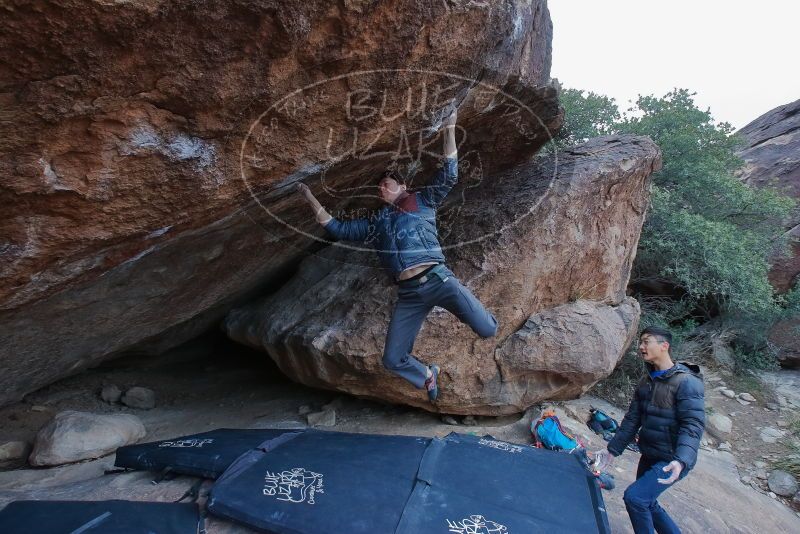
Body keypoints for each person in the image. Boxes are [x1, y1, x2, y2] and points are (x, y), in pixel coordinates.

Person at [297, 108, 498, 403]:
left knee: (488, 329)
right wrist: (308, 197)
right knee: (392, 359)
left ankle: (481, 315)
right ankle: (426, 375)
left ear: (403, 186)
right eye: (380, 185)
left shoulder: (422, 200)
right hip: (409, 295)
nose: (382, 187)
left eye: (388, 182)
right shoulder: (376, 222)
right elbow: (336, 228)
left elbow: (450, 173)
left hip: (439, 280)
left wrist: (451, 126)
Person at [594, 326, 705, 534]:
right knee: (647, 502)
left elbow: (693, 425)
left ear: (664, 346)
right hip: (650, 454)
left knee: (635, 498)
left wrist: (681, 460)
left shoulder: (687, 382)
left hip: (671, 458)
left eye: (646, 341)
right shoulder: (647, 381)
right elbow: (632, 420)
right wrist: (612, 450)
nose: (641, 347)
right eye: (641, 342)